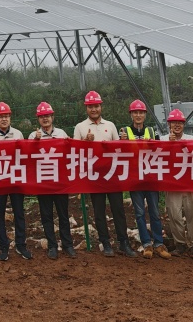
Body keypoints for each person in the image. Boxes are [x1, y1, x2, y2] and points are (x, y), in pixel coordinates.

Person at [73, 91, 135, 258]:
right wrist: (85, 142)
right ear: (86, 108)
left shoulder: (110, 125)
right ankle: (105, 242)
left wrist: (121, 141)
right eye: (90, 107)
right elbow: (75, 151)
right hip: (94, 175)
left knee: (118, 209)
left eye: (96, 106)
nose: (94, 109)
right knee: (99, 210)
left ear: (101, 107)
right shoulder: (80, 127)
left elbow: (118, 148)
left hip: (112, 174)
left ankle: (123, 242)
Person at [119, 100, 170, 260]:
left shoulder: (152, 131)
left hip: (150, 178)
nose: (138, 115)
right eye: (135, 112)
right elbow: (119, 152)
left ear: (145, 115)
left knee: (154, 212)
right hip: (135, 179)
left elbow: (160, 150)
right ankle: (147, 244)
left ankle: (159, 243)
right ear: (131, 115)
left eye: (141, 112)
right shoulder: (124, 132)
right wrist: (121, 141)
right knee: (140, 213)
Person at [0, 101, 31, 261]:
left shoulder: (18, 134)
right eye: (0, 117)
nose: (4, 119)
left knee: (19, 213)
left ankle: (21, 245)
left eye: (6, 116)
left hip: (15, 179)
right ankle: (3, 247)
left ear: (10, 118)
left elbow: (24, 155)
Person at [32, 101, 76, 260]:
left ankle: (67, 244)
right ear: (38, 119)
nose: (45, 119)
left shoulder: (61, 133)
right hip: (43, 182)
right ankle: (52, 245)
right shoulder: (33, 136)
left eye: (48, 116)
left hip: (59, 181)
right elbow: (28, 156)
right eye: (42, 116)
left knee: (63, 214)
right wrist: (35, 142)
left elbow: (69, 153)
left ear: (52, 117)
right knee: (46, 215)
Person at [161, 109, 193, 260]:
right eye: (174, 123)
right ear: (169, 125)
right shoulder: (163, 140)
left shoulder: (191, 139)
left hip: (189, 184)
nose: (177, 125)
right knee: (174, 214)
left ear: (184, 125)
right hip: (172, 184)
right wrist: (169, 144)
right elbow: (158, 157)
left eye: (180, 123)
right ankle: (180, 244)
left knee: (192, 215)